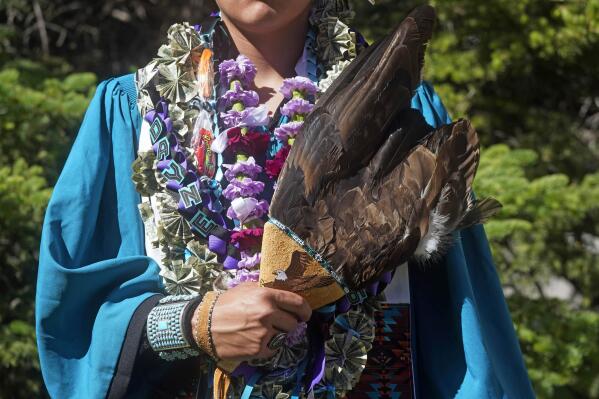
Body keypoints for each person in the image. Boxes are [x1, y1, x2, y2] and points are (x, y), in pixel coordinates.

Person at [36, 1, 536, 398]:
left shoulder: (401, 112)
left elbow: (462, 335)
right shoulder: (133, 116)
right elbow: (76, 318)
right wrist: (191, 324)